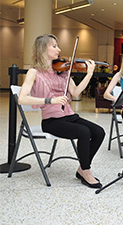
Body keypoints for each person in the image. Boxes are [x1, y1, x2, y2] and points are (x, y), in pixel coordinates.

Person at [18, 34, 105, 189]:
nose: (59, 49)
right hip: (52, 121)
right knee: (84, 132)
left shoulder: (63, 71)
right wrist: (49, 100)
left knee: (99, 132)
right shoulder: (34, 72)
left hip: (69, 116)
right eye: (54, 46)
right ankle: (86, 171)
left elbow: (76, 92)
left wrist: (89, 74)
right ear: (43, 48)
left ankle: (81, 168)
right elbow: (22, 99)